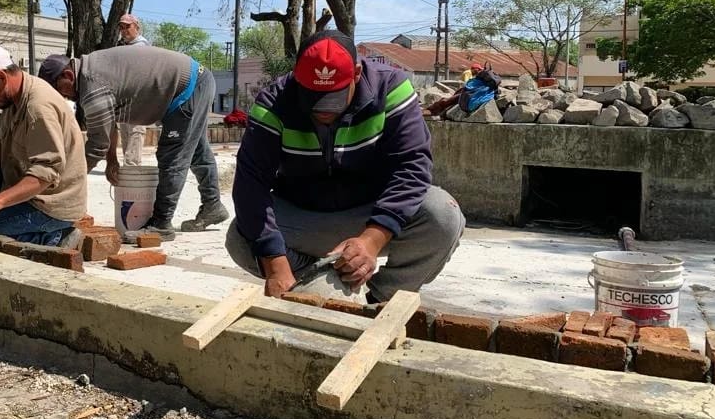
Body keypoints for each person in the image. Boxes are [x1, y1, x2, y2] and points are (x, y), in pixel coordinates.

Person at [226, 30, 465, 301]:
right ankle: (315, 281)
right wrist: (275, 265)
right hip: (304, 217)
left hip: (369, 213)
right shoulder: (273, 102)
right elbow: (250, 185)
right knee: (240, 238)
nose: (325, 112)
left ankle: (379, 299)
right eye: (314, 100)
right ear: (297, 77)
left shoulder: (392, 89)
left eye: (334, 99)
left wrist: (371, 241)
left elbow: (411, 168)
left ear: (356, 73)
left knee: (443, 215)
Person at [39, 46, 227, 240]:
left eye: (59, 91)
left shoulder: (92, 85)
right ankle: (213, 206)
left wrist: (67, 183)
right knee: (196, 150)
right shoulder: (90, 70)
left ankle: (161, 224)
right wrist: (112, 160)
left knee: (172, 155)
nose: (63, 97)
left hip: (188, 87)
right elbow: (108, 124)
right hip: (195, 80)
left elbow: (96, 145)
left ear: (68, 76)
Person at [0, 45, 87, 247]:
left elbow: (45, 174)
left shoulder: (38, 108)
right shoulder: (12, 99)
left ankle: (53, 237)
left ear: (0, 78)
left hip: (49, 206)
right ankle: (11, 224)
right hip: (27, 192)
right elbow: (5, 147)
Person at [116, 13, 150, 166]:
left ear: (136, 27)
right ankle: (129, 164)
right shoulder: (123, 46)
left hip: (138, 96)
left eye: (127, 27)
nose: (124, 30)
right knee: (125, 132)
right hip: (124, 96)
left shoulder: (141, 46)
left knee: (136, 130)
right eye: (122, 27)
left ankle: (132, 165)